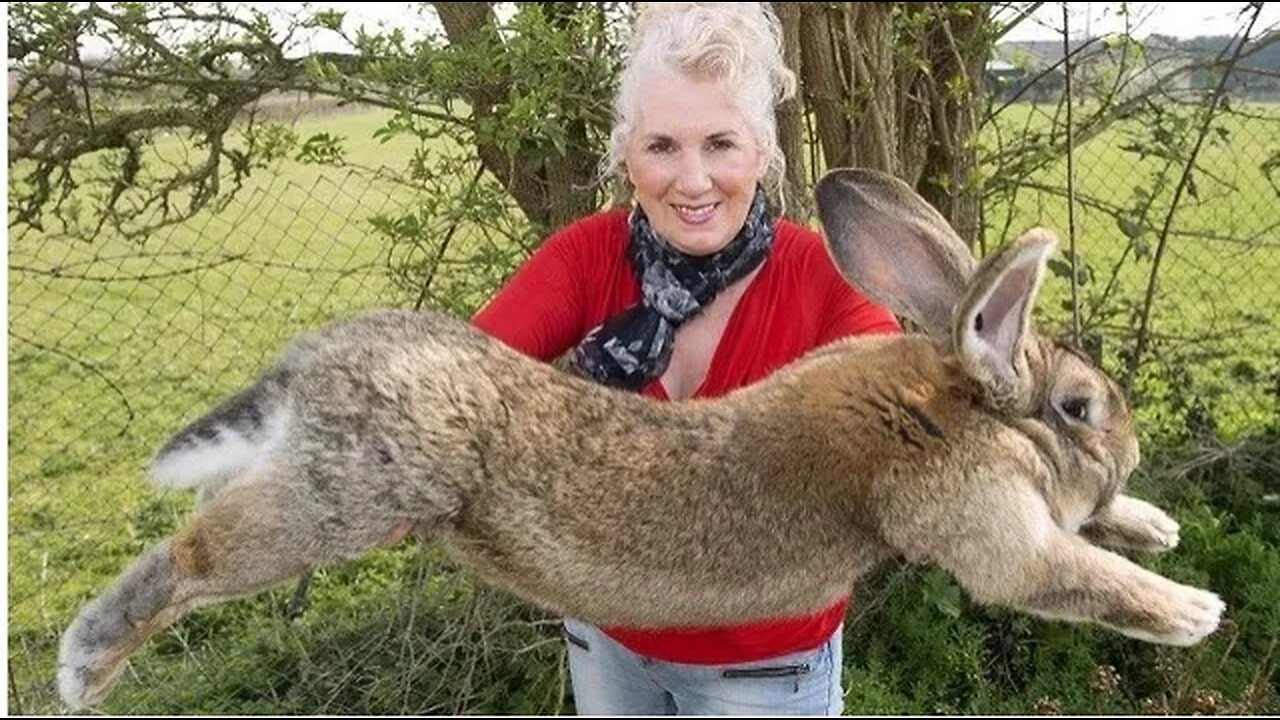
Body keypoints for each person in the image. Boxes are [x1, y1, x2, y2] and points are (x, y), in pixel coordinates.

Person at [471, 3, 900, 714]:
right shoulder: (587, 259)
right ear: (627, 153)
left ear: (762, 150)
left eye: (721, 144)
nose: (692, 180)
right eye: (663, 145)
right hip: (608, 642)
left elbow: (894, 439)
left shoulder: (825, 281)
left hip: (765, 671)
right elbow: (452, 380)